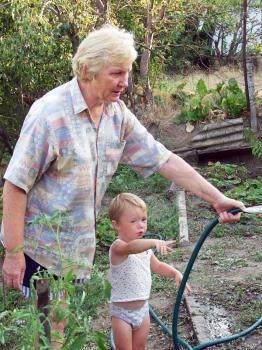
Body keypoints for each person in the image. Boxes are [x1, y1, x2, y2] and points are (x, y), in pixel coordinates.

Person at [1, 24, 244, 348]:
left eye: (127, 72)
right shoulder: (50, 114)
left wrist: (217, 198)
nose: (125, 82)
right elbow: (16, 184)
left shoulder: (117, 115)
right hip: (41, 250)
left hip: (77, 251)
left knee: (61, 326)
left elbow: (164, 159)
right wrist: (14, 254)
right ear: (88, 69)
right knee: (51, 333)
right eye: (117, 73)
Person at [108, 192, 191, 350]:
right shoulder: (118, 247)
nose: (141, 225)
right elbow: (130, 248)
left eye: (143, 220)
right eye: (133, 221)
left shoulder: (145, 250)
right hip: (122, 314)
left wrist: (175, 273)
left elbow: (158, 266)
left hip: (143, 310)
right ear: (116, 224)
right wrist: (153, 242)